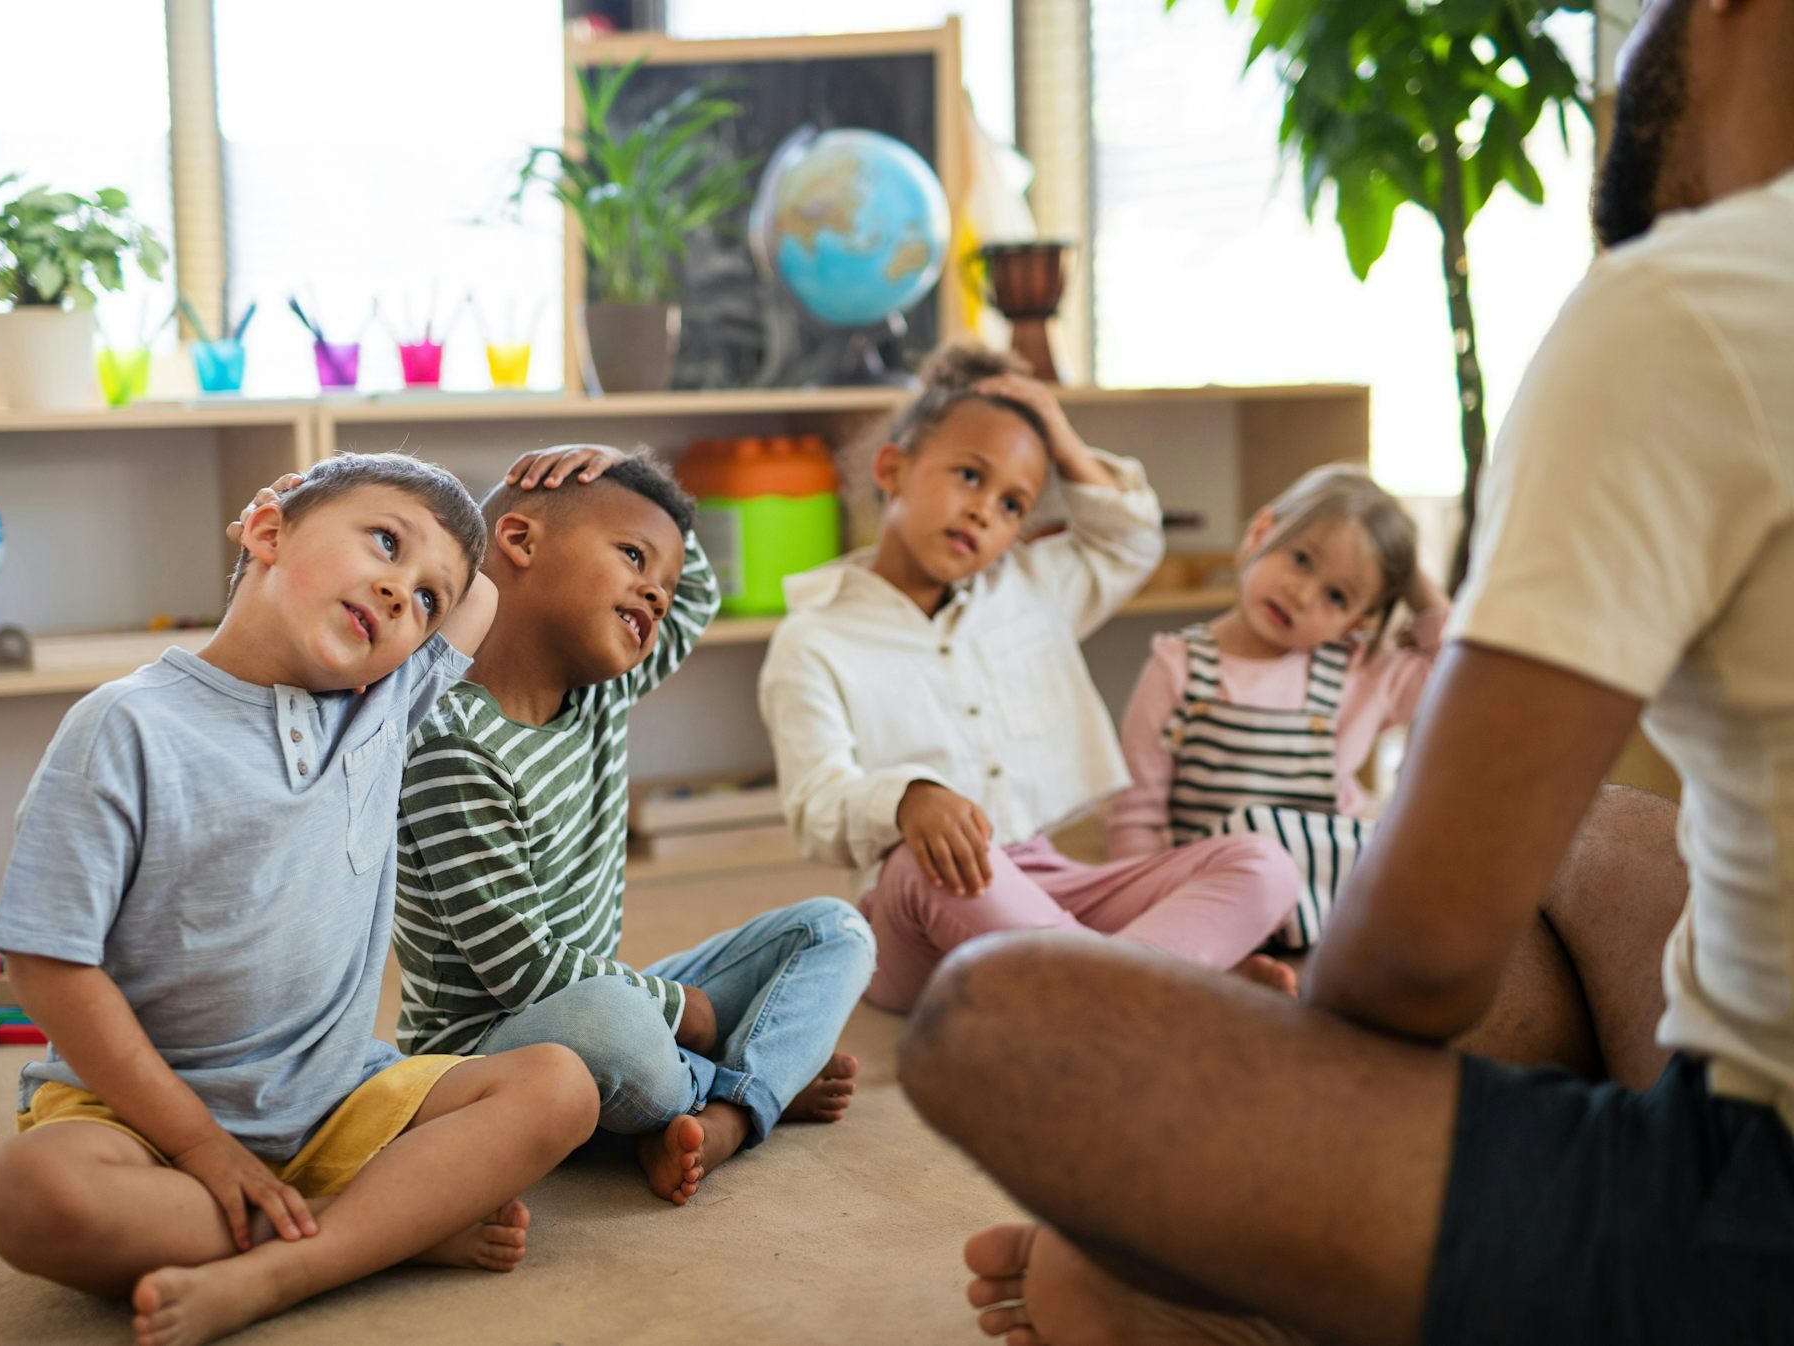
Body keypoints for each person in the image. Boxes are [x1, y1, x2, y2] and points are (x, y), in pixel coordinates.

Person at [898, 0, 1794, 1341]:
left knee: (993, 1015)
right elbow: (1153, 800)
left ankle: (1244, 1276)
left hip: (1750, 1206)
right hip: (1710, 1095)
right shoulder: (1188, 659)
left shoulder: (1693, 300)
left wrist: (1229, 1178)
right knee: (1588, 834)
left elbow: (1415, 957)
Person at [0, 453, 601, 1346]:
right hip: (141, 1119)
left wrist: (571, 478)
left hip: (337, 1102)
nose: (400, 594)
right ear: (266, 531)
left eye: (425, 599)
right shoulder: (125, 724)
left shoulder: (384, 706)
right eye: (384, 543)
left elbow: (483, 593)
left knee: (560, 1085)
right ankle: (384, 1230)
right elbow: (46, 963)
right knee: (26, 1197)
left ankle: (294, 1261)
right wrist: (196, 1145)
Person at [394, 444, 874, 1207]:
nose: (656, 595)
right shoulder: (451, 743)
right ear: (519, 543)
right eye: (632, 556)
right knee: (616, 1023)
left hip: (609, 997)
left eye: (664, 585)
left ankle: (724, 1105)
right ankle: (756, 1087)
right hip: (486, 1051)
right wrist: (690, 1012)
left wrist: (618, 462)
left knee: (835, 931)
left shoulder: (606, 688)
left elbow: (702, 587)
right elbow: (520, 970)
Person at [758, 343, 1302, 1012]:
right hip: (918, 908)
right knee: (925, 864)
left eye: (1014, 505)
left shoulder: (1032, 590)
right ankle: (1166, 985)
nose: (986, 510)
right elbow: (816, 803)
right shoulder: (813, 639)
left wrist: (1061, 435)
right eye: (969, 476)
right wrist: (907, 800)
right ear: (892, 468)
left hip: (1049, 885)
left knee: (1263, 864)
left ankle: (1122, 991)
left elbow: (1131, 540)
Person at [1108, 464, 1449, 949]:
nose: (1302, 594)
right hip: (1219, 904)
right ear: (1261, 532)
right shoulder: (1179, 666)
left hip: (1331, 909)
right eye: (1302, 560)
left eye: (1337, 596)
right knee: (1252, 842)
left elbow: (1461, 672)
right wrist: (1141, 918)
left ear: (1358, 619)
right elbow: (1135, 818)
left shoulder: (1361, 675)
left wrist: (1409, 574)